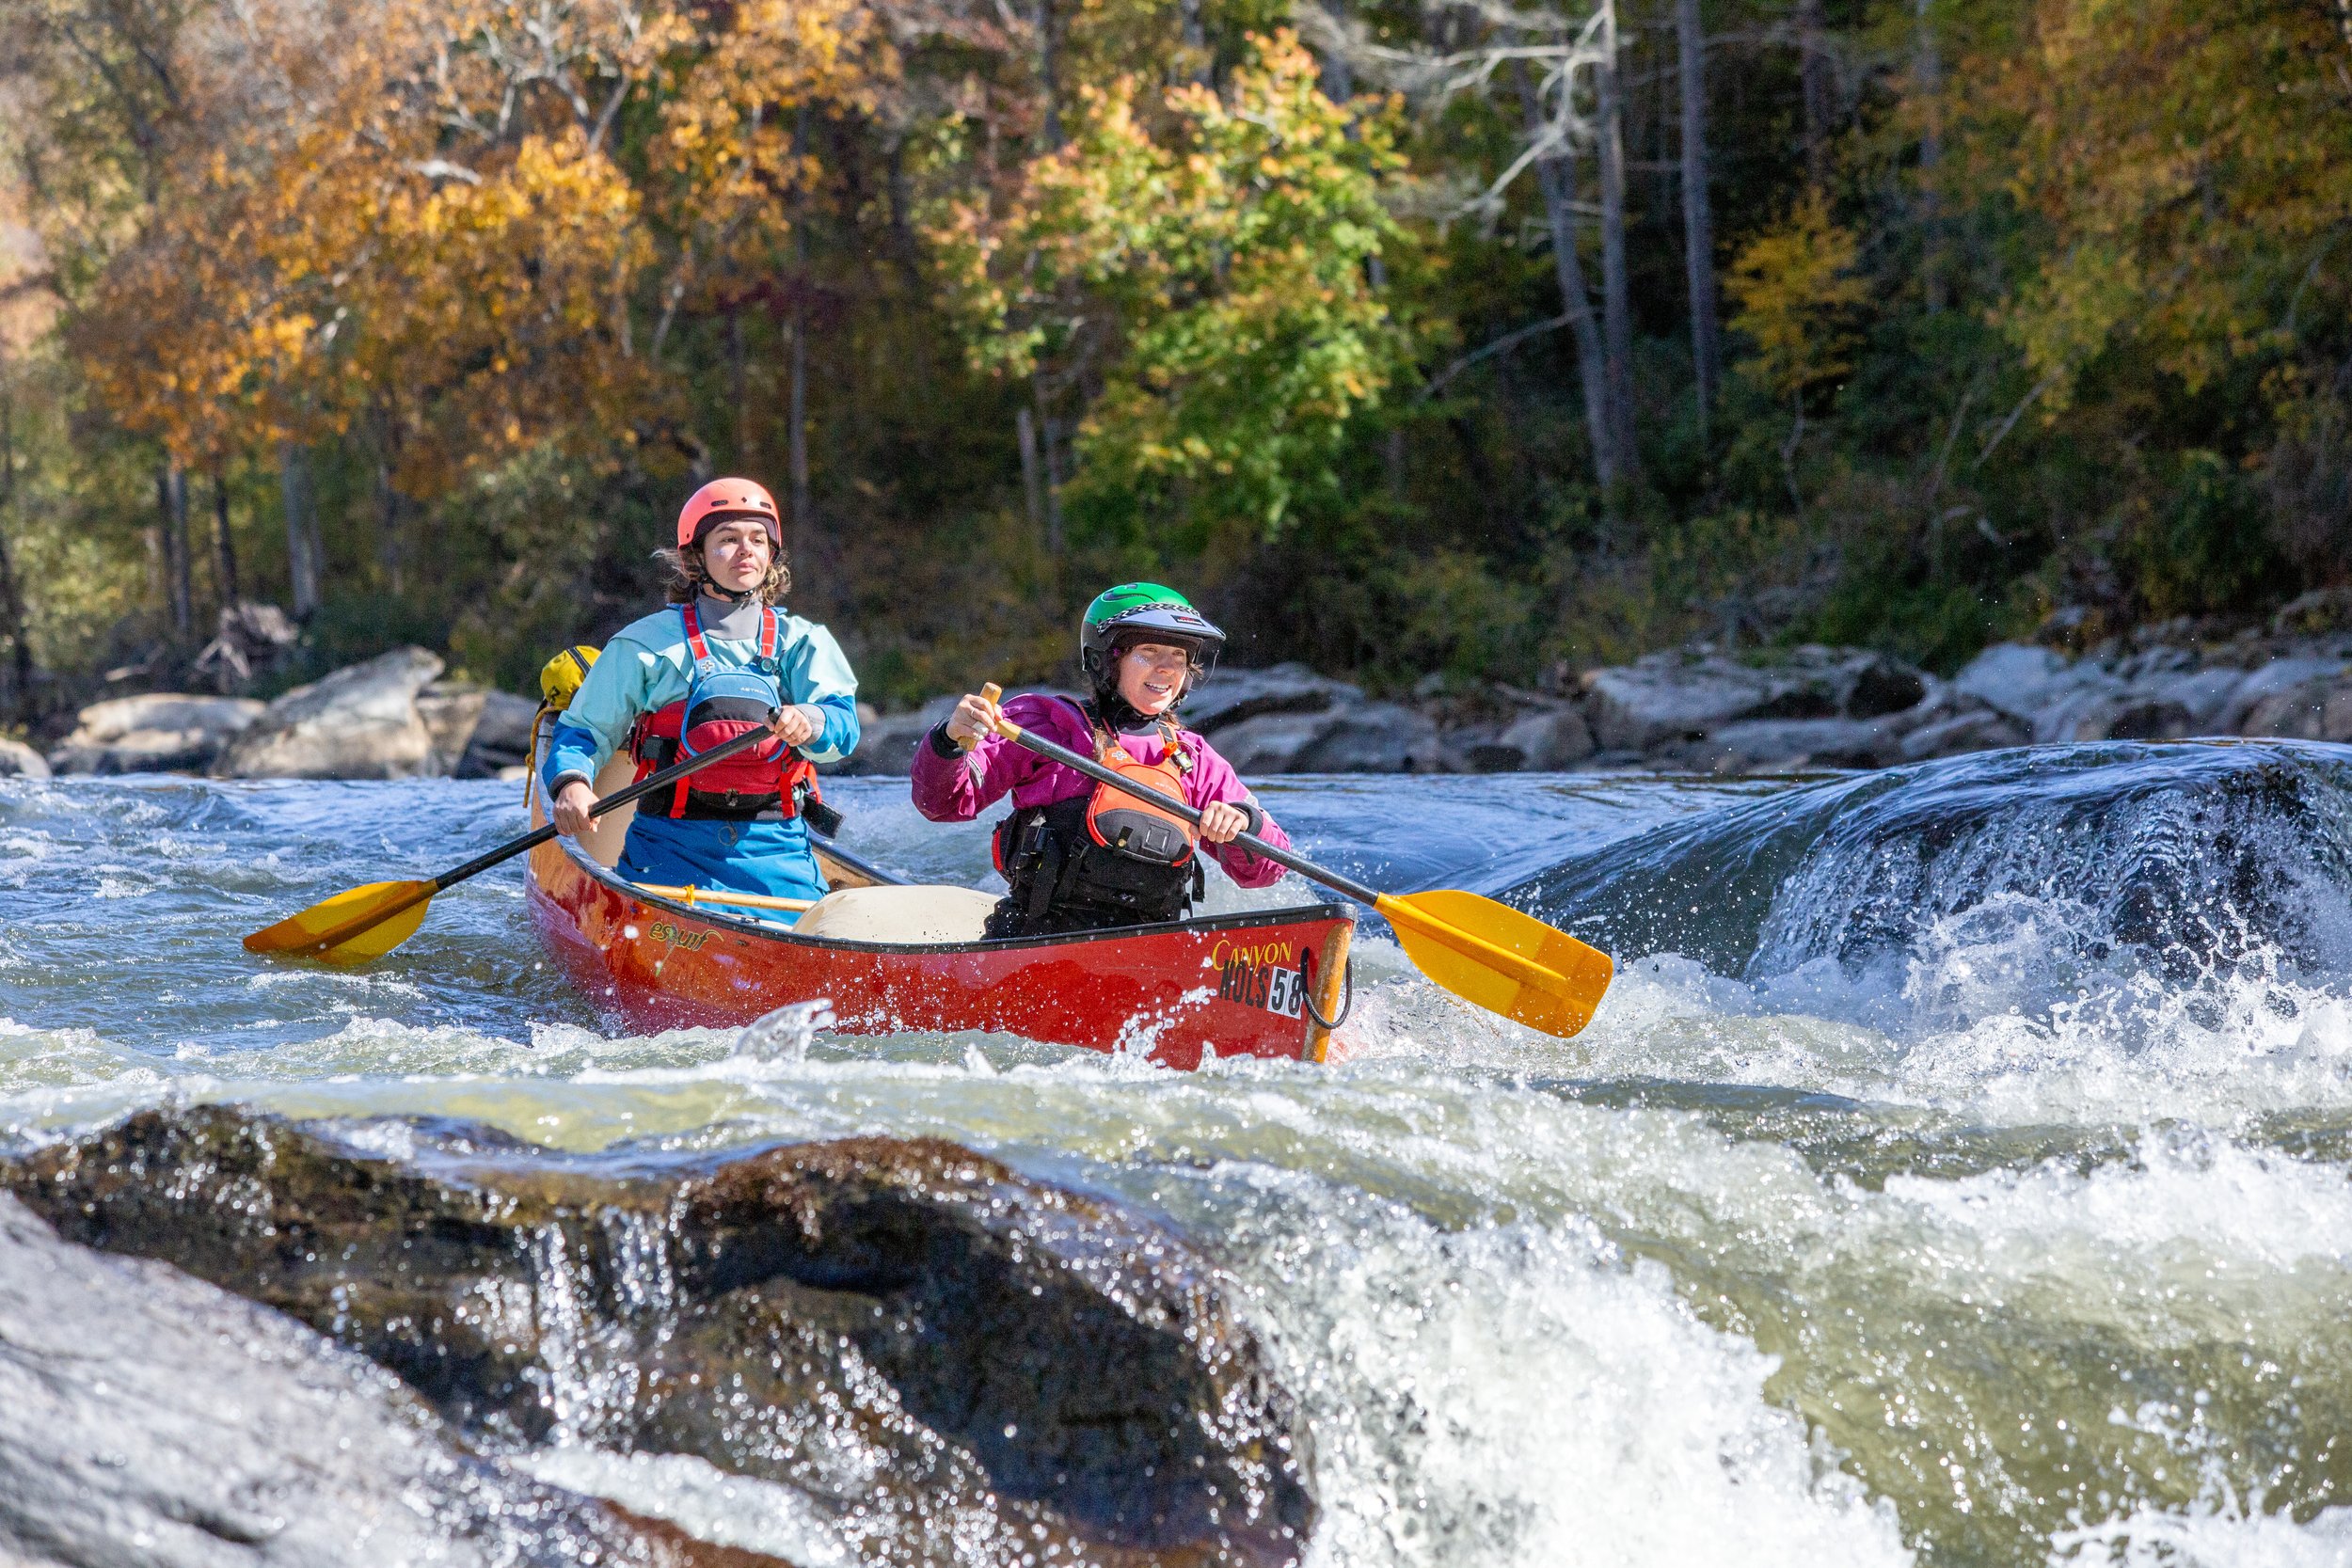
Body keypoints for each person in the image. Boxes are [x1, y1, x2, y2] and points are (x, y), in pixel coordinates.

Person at [539, 478, 859, 902]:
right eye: (728, 539)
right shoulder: (644, 645)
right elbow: (583, 731)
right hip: (667, 852)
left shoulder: (803, 643)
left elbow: (842, 724)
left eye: (758, 539)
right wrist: (572, 785)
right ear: (695, 559)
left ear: (771, 554)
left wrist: (812, 722)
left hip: (778, 855)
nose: (747, 549)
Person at [911, 583, 1292, 937]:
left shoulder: (1192, 758)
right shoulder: (1047, 725)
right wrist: (950, 740)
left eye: (1178, 656)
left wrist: (1244, 822)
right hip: (1034, 941)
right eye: (1149, 653)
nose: (1167, 669)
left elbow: (1268, 870)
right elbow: (943, 803)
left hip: (1146, 959)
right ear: (1106, 661)